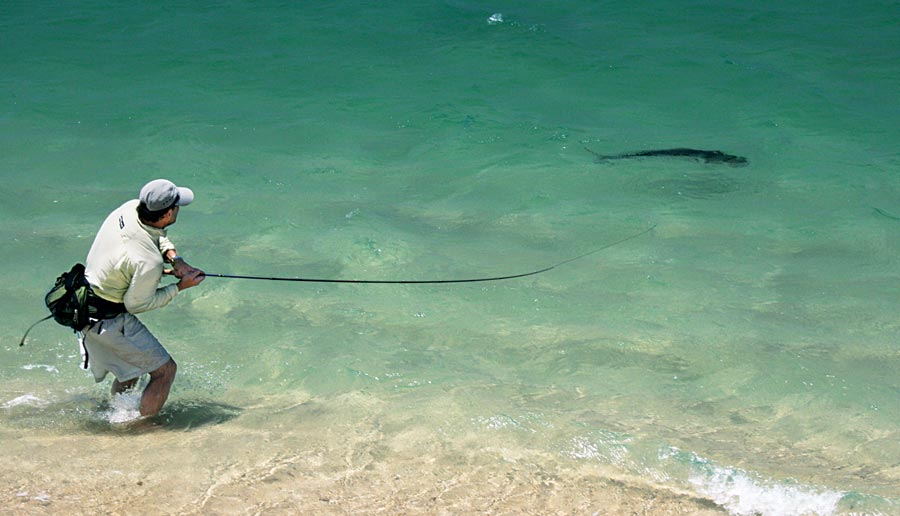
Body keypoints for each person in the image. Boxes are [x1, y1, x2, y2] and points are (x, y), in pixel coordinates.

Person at [82, 179, 205, 417]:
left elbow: (155, 235)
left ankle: (119, 415)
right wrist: (180, 286)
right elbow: (137, 304)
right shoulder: (148, 262)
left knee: (131, 369)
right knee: (165, 371)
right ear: (169, 212)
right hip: (107, 319)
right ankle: (144, 428)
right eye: (177, 206)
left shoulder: (129, 209)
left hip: (86, 306)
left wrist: (175, 259)